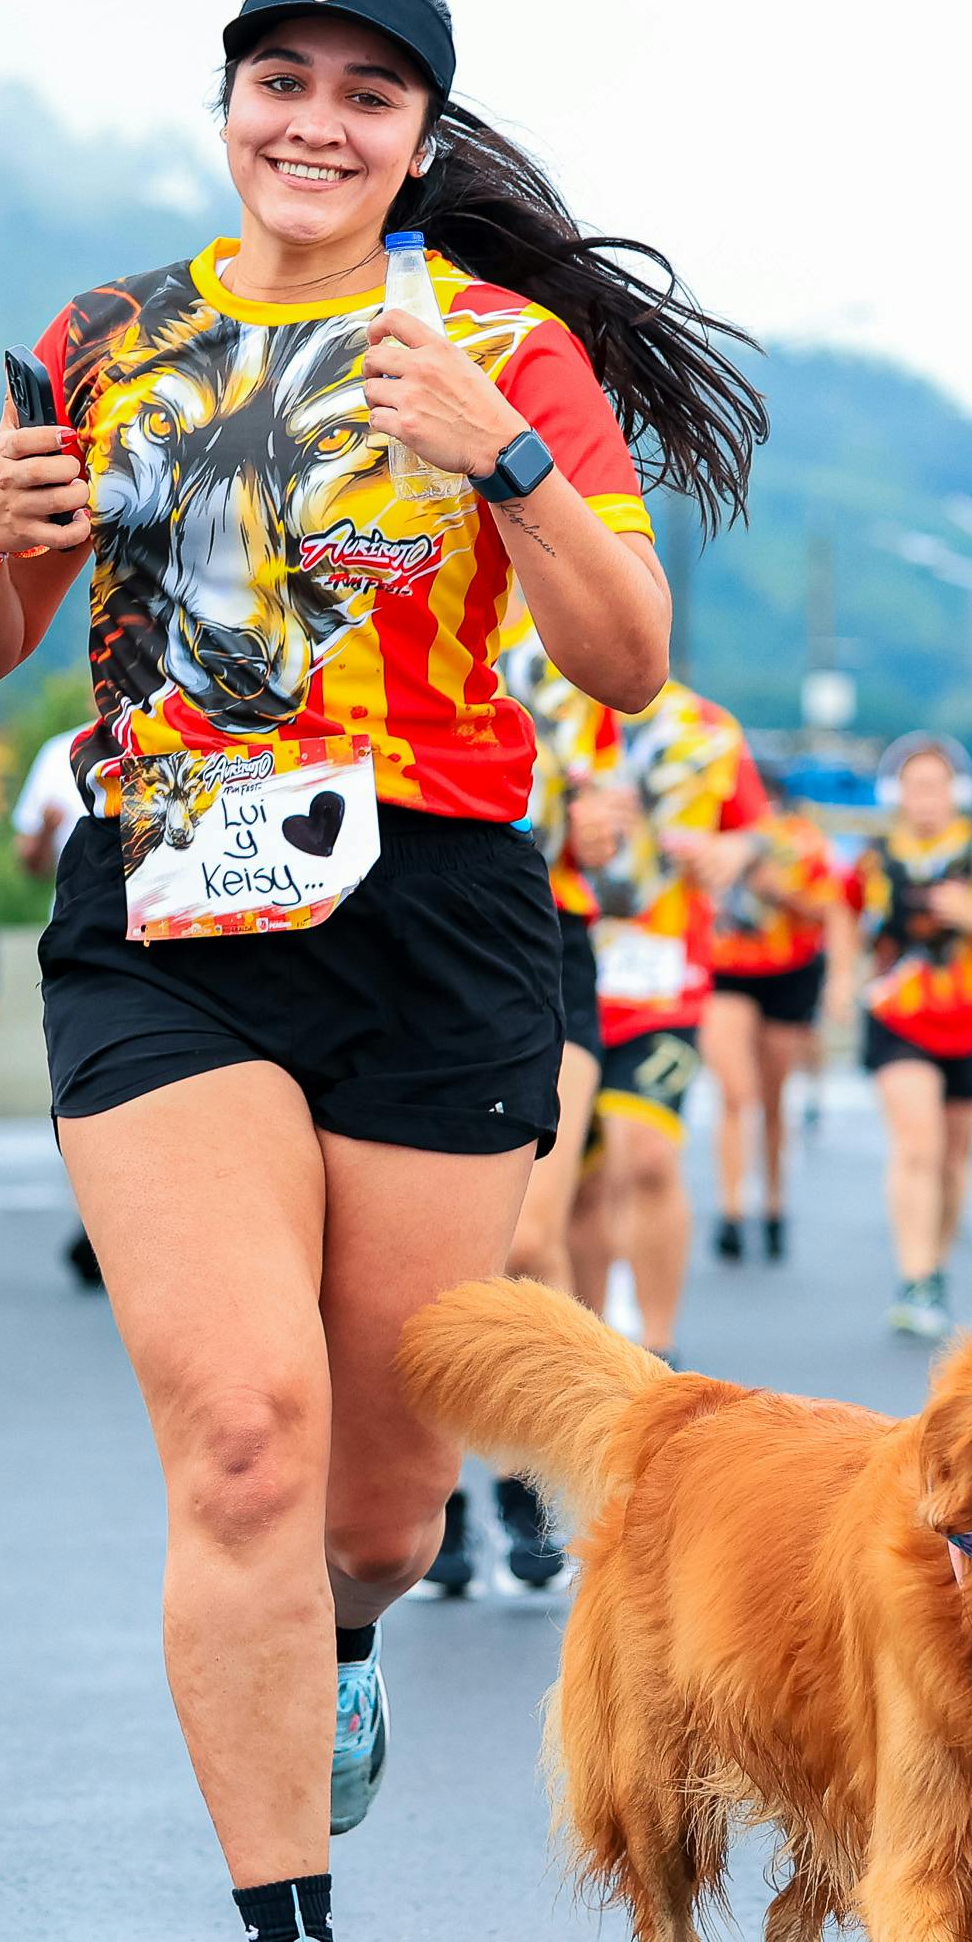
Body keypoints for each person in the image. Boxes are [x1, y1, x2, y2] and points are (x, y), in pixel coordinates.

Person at [0, 0, 759, 1942]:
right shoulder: (108, 336)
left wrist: (505, 463)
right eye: (280, 79)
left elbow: (629, 658)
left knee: (378, 1505)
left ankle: (351, 1640)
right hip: (169, 911)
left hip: (437, 918)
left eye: (366, 93)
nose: (316, 120)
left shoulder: (502, 349)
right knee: (243, 1442)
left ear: (418, 137)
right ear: (229, 107)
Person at [427, 622, 621, 1598]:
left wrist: (600, 828)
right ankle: (431, 1499)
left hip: (544, 937)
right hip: (408, 927)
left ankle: (532, 1476)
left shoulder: (565, 651)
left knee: (532, 1231)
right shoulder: (367, 596)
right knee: (419, 1258)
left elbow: (623, 863)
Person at [565, 681, 760, 1366]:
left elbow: (753, 829)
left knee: (646, 1158)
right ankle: (586, 1357)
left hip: (662, 987)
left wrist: (731, 853)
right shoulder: (549, 702)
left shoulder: (708, 726)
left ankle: (657, 1349)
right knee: (579, 1183)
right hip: (558, 972)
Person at [847, 733, 972, 1341]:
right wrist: (840, 979)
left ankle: (934, 1262)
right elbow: (843, 914)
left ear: (957, 790)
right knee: (917, 1146)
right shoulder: (876, 857)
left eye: (935, 785)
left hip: (970, 1022)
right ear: (895, 792)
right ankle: (914, 1279)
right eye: (913, 786)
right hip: (897, 1018)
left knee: (954, 1161)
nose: (924, 798)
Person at [701, 770, 843, 1264]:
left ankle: (775, 1205)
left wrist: (779, 892)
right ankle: (731, 1211)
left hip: (788, 972)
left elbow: (831, 909)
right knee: (734, 1092)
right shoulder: (708, 833)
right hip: (726, 971)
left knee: (773, 1097)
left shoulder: (802, 840)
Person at [11, 723, 107, 1290]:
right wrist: (45, 833)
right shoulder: (59, 754)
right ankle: (95, 1219)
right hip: (85, 944)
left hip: (179, 936)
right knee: (86, 1089)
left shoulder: (198, 723)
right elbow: (27, 863)